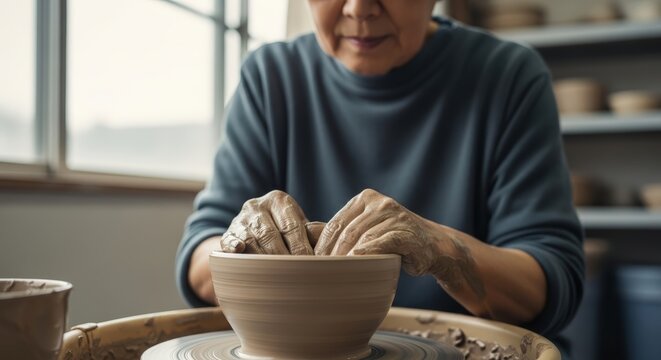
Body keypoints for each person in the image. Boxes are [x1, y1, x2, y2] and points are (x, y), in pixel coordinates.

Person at [175, 0, 584, 348]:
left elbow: (550, 281)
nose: (359, 9)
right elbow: (199, 260)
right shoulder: (270, 77)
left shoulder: (508, 75)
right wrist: (239, 244)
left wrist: (441, 249)